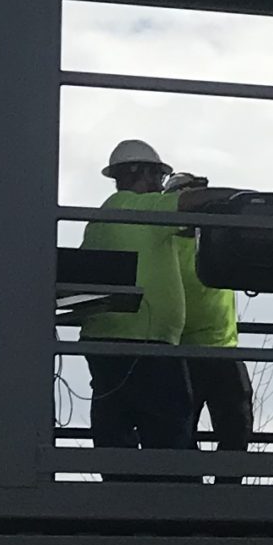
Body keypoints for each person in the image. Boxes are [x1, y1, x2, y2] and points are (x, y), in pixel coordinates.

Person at [79, 140, 196, 459]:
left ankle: (119, 497)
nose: (160, 187)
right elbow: (192, 208)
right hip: (146, 344)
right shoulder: (144, 208)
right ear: (143, 173)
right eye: (158, 178)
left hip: (103, 341)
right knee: (171, 436)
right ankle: (171, 501)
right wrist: (196, 193)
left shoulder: (102, 216)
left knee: (114, 427)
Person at [168, 171, 253, 480]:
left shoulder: (217, 237)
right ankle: (191, 492)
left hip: (222, 351)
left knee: (237, 427)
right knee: (181, 431)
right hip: (183, 352)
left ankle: (225, 491)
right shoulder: (166, 242)